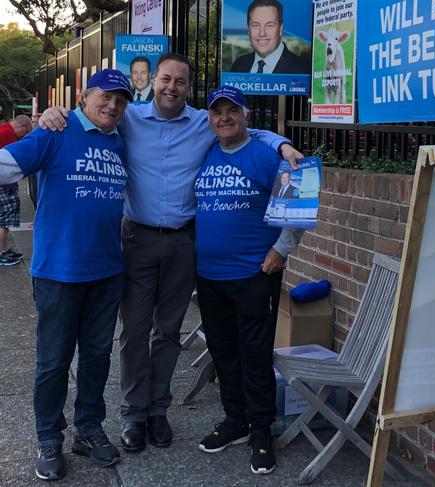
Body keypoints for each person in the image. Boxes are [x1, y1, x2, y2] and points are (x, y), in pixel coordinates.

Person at [39, 52, 302, 453]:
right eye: (165, 79)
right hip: (137, 240)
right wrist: (52, 114)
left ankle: (158, 411)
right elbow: (92, 116)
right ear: (152, 82)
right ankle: (133, 413)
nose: (171, 87)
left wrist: (282, 143)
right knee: (134, 331)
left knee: (168, 332)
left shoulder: (204, 121)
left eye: (180, 81)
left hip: (183, 242)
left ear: (188, 88)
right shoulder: (128, 117)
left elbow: (250, 131)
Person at [0, 69, 133, 481]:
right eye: (104, 97)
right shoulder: (56, 130)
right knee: (54, 361)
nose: (112, 106)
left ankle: (88, 428)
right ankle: (48, 437)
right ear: (85, 98)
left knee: (97, 357)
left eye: (120, 100)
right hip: (59, 272)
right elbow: (6, 166)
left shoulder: (120, 143)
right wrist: (43, 121)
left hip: (108, 271)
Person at [194, 85, 303, 475]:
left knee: (254, 356)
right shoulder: (204, 151)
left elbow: (297, 201)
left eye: (232, 111)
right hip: (209, 275)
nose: (224, 117)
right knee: (223, 352)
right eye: (216, 111)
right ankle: (235, 421)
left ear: (245, 115)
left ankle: (261, 431)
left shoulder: (264, 153)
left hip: (255, 273)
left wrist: (282, 250)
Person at [230, 0, 310, 75]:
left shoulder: (304, 70)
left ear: (280, 28)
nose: (262, 33)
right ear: (248, 29)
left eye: (270, 25)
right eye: (256, 25)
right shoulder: (238, 66)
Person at [0, 114, 32, 265]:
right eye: (25, 133)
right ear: (21, 126)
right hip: (4, 185)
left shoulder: (4, 130)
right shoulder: (7, 134)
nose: (23, 137)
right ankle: (1, 253)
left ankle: (4, 250)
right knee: (4, 219)